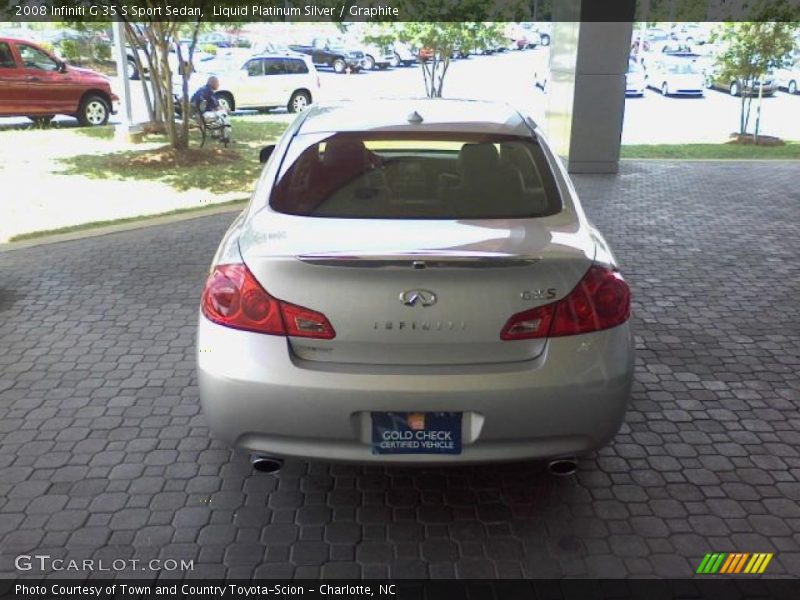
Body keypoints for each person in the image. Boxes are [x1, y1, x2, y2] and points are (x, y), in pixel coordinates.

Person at [191, 76, 231, 143]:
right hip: (204, 116)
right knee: (223, 114)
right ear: (213, 83)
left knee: (220, 117)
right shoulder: (209, 92)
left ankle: (216, 134)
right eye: (217, 83)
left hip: (198, 115)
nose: (218, 85)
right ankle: (225, 137)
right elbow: (216, 107)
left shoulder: (203, 89)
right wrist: (226, 109)